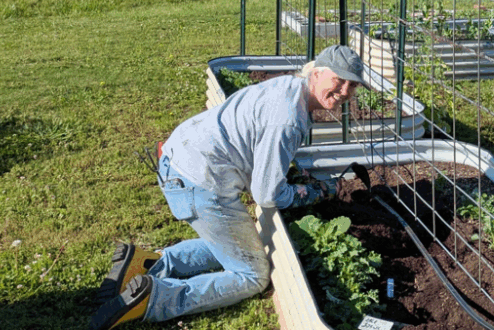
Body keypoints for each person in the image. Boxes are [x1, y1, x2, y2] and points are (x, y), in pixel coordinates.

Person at [88, 44, 368, 330]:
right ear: (317, 72)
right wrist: (315, 192)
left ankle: (147, 263)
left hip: (182, 161)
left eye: (353, 85)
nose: (345, 91)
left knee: (243, 245)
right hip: (199, 183)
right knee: (252, 275)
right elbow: (267, 194)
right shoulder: (288, 119)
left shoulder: (288, 87)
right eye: (339, 80)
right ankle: (156, 298)